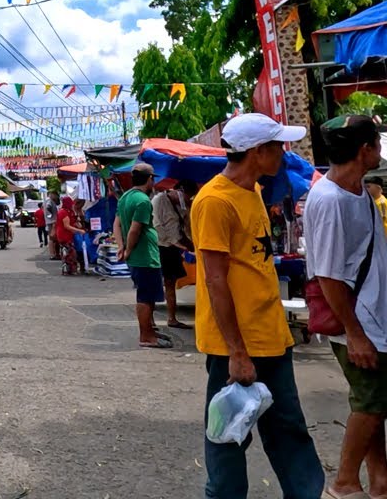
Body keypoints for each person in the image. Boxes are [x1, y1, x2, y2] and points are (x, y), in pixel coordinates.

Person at [191, 113, 323, 498]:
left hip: (271, 335)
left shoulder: (253, 192)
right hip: (235, 345)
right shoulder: (214, 202)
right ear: (256, 152)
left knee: (289, 432)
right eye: (278, 146)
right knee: (228, 437)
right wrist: (236, 352)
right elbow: (215, 280)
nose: (284, 153)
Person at [306, 115, 387, 499]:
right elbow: (328, 276)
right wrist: (354, 334)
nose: (381, 148)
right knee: (371, 402)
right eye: (376, 142)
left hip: (371, 314)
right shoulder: (330, 200)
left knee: (375, 402)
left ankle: (379, 480)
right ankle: (343, 482)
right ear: (363, 150)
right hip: (356, 321)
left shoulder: (357, 191)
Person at [118, 162, 167, 348]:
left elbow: (117, 224)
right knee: (146, 297)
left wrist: (122, 247)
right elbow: (134, 230)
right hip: (144, 256)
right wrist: (128, 250)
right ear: (150, 178)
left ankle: (149, 330)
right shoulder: (142, 201)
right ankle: (146, 336)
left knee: (147, 295)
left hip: (138, 256)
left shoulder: (125, 197)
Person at [152, 180, 195, 330]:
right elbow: (157, 225)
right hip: (160, 245)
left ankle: (172, 318)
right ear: (179, 191)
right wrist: (177, 242)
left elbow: (186, 226)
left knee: (171, 282)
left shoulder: (181, 206)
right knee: (156, 282)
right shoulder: (159, 200)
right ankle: (150, 319)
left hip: (173, 247)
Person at [56, 196, 86, 275]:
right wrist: (79, 231)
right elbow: (67, 226)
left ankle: (70, 270)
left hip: (67, 235)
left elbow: (74, 222)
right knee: (70, 253)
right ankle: (69, 270)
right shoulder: (63, 212)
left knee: (69, 252)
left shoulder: (68, 211)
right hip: (64, 235)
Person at [44, 191, 60, 259]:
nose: (56, 197)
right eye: (56, 195)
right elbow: (48, 207)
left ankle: (54, 254)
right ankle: (52, 254)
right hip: (51, 222)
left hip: (50, 222)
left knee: (53, 238)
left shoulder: (49, 201)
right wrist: (52, 218)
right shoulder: (49, 201)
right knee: (52, 238)